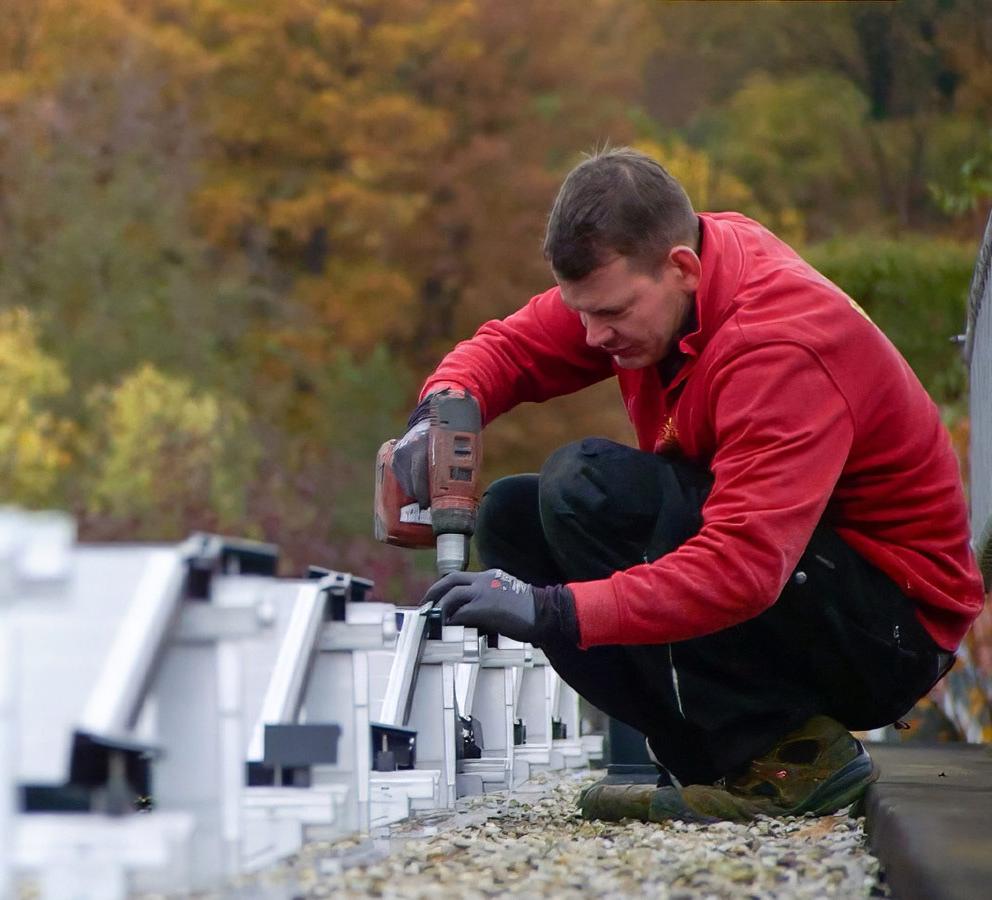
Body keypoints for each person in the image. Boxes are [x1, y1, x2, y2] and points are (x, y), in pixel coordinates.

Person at [395, 148, 984, 823]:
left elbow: (741, 568)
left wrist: (551, 611)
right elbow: (512, 349)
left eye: (610, 313)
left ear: (681, 268)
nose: (592, 336)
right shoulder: (659, 277)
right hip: (803, 578)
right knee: (511, 519)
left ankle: (793, 761)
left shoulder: (778, 345)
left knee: (582, 486)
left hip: (889, 630)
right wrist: (437, 415)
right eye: (581, 313)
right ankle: (718, 764)